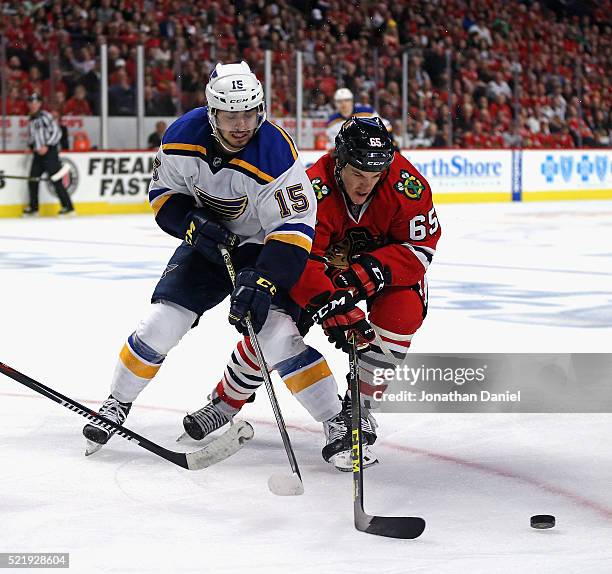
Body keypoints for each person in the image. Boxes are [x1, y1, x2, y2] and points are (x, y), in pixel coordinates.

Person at [83, 61, 328, 457]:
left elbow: (296, 225)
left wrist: (265, 279)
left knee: (276, 335)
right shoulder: (181, 136)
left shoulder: (276, 151)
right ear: (212, 112)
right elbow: (164, 196)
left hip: (264, 248)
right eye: (231, 115)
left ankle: (336, 423)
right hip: (208, 244)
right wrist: (192, 224)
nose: (241, 124)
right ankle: (116, 402)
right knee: (160, 324)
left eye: (249, 113)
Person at [188, 116, 441, 470]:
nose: (366, 185)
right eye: (357, 174)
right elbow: (300, 255)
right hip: (321, 272)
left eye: (374, 176)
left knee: (402, 315)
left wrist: (367, 273)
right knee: (272, 329)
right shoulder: (312, 188)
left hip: (380, 272)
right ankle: (226, 400)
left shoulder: (406, 185)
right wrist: (328, 304)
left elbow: (420, 249)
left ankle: (359, 409)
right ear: (339, 161)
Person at [24, 93, 75, 216]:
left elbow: (57, 133)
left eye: (36, 103)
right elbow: (33, 137)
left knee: (56, 180)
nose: (33, 105)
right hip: (38, 155)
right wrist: (30, 146)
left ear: (40, 104)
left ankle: (68, 207)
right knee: (32, 180)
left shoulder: (45, 116)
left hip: (49, 154)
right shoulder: (31, 119)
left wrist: (47, 146)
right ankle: (34, 207)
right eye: (31, 103)